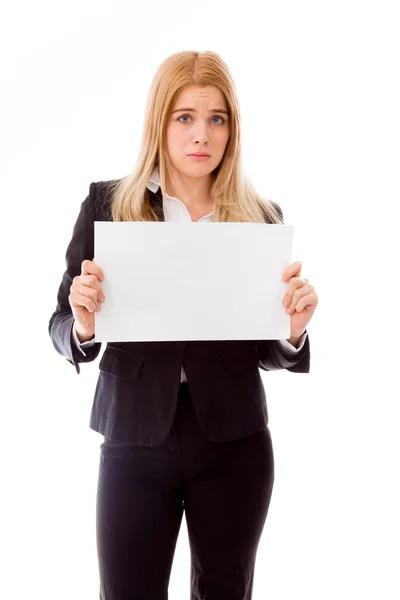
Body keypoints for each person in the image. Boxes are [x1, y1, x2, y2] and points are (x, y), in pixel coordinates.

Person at [48, 50, 318, 600]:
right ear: (160, 122)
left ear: (232, 129)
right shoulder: (109, 205)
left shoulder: (259, 217)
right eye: (185, 117)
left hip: (234, 444)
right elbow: (58, 325)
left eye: (217, 118)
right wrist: (82, 325)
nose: (202, 134)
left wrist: (292, 329)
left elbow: (267, 348)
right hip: (134, 439)